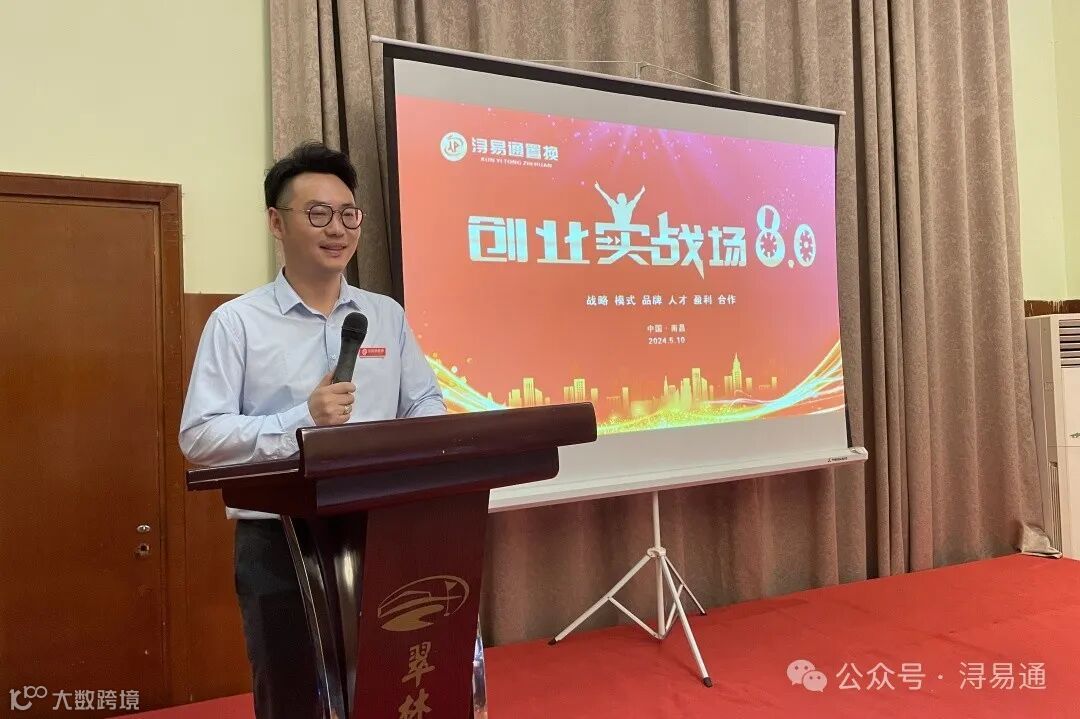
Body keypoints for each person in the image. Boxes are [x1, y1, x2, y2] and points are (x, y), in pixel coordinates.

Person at [178, 141, 446, 718]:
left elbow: (424, 401)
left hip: (383, 526)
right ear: (276, 222)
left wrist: (420, 449)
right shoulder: (237, 323)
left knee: (390, 682)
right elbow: (200, 437)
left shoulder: (384, 314)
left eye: (348, 213)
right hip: (280, 538)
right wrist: (304, 419)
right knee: (292, 689)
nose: (338, 229)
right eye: (318, 213)